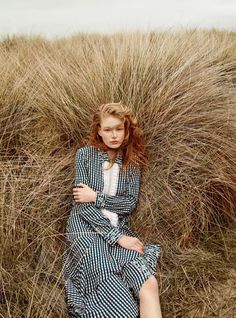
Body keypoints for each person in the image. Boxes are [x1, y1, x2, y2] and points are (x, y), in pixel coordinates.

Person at [63, 102, 162, 318]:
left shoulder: (131, 161)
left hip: (119, 226)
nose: (114, 135)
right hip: (85, 228)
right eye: (107, 129)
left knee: (149, 283)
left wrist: (95, 196)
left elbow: (128, 203)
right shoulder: (85, 155)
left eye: (119, 128)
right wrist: (116, 238)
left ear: (126, 130)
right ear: (98, 130)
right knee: (114, 291)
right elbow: (82, 205)